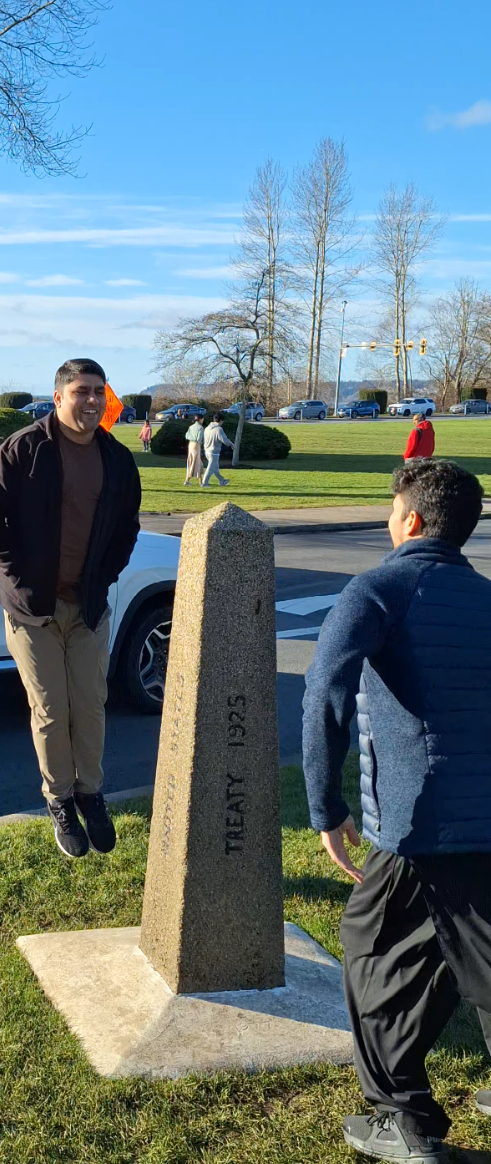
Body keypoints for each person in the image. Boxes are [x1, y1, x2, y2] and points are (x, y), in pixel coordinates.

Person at [302, 458, 491, 1163]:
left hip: (419, 828)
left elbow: (323, 688)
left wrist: (326, 807)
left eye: (391, 511)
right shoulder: (485, 596)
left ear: (408, 520)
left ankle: (404, 1124)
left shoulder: (380, 587)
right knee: (474, 955)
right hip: (484, 824)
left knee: (371, 952)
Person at [0, 358, 142, 859]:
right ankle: (60, 800)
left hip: (87, 606)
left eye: (98, 392)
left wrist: (105, 575)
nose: (91, 401)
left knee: (90, 705)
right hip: (32, 610)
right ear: (58, 398)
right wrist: (21, 576)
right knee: (50, 710)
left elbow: (126, 527)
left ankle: (90, 793)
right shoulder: (24, 449)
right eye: (81, 391)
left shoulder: (115, 458)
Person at [201, 413, 233, 487]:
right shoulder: (219, 429)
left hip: (207, 451)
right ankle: (204, 483)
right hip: (214, 452)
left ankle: (222, 480)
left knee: (215, 467)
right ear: (221, 420)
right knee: (211, 468)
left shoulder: (207, 428)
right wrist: (231, 444)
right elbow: (224, 439)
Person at [184, 414, 205, 485]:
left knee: (191, 461)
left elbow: (186, 436)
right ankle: (200, 482)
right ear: (200, 419)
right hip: (196, 445)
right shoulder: (200, 428)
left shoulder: (191, 427)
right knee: (197, 462)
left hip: (190, 444)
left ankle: (190, 480)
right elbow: (199, 439)